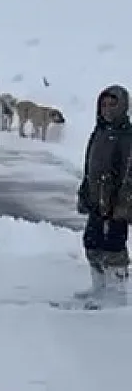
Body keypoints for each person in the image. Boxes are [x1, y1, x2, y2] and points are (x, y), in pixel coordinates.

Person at [75, 84, 132, 308]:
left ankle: (117, 294)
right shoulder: (99, 132)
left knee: (114, 246)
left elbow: (129, 174)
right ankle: (99, 287)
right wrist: (85, 191)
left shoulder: (126, 136)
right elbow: (91, 167)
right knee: (92, 241)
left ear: (123, 107)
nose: (107, 109)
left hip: (117, 203)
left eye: (112, 105)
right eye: (104, 105)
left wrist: (122, 205)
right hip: (96, 201)